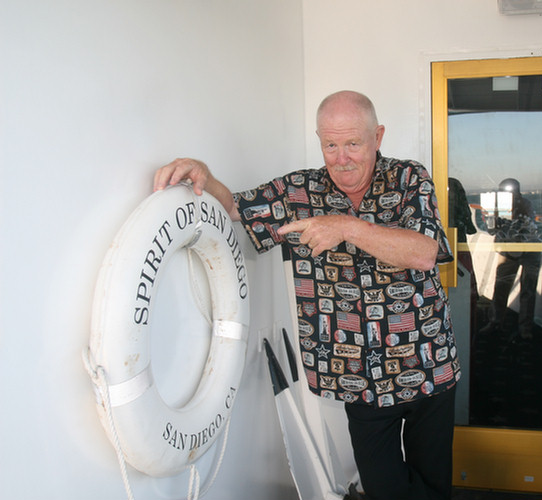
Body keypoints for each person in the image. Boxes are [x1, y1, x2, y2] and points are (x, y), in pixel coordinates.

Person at [153, 91, 461, 500]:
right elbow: (235, 209)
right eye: (330, 145)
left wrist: (345, 226)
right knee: (384, 486)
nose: (342, 157)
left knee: (433, 484)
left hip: (428, 361)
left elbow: (424, 252)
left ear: (378, 136)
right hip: (359, 377)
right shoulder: (299, 190)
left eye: (353, 143)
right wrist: (205, 176)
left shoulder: (408, 178)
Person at [486, 178, 540, 339]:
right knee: (501, 287)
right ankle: (495, 322)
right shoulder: (497, 207)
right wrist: (490, 217)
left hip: (530, 249)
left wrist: (511, 217)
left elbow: (527, 226)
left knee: (528, 291)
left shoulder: (526, 204)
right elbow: (492, 231)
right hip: (509, 250)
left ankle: (525, 328)